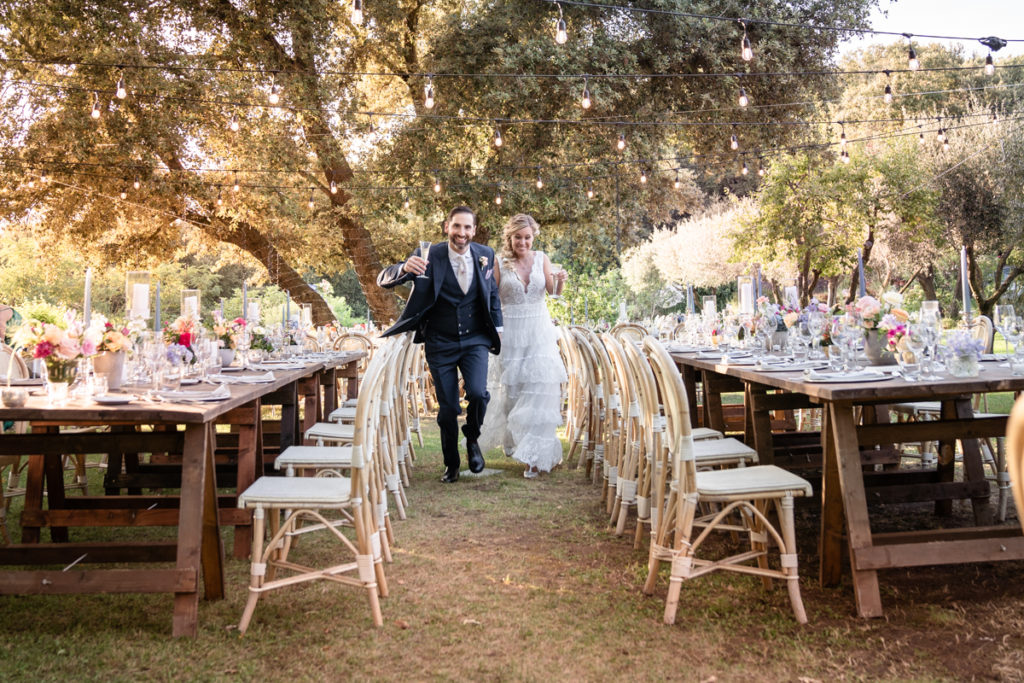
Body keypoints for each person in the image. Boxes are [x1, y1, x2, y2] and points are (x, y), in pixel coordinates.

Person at [377, 206, 503, 483]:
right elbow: (383, 279)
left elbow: (491, 293)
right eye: (457, 226)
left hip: (475, 340)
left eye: (467, 227)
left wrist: (499, 326)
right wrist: (402, 268)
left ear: (473, 229)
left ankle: (472, 439)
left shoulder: (486, 255)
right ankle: (452, 463)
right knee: (447, 407)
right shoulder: (428, 255)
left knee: (479, 394)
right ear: (447, 227)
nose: (462, 233)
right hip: (440, 341)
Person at [478, 214, 568, 478]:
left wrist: (560, 279)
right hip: (512, 335)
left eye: (527, 237)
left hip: (539, 333)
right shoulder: (499, 262)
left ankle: (535, 457)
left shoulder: (542, 259)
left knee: (539, 392)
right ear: (510, 238)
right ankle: (518, 445)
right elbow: (490, 297)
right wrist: (494, 330)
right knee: (514, 396)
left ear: (533, 237)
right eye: (518, 237)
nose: (523, 242)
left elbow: (554, 293)